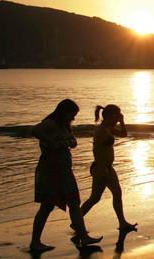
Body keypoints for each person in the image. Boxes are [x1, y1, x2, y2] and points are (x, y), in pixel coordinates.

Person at [29, 99, 102, 252]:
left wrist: (69, 141)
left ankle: (83, 236)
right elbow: (35, 130)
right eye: (72, 114)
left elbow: (73, 142)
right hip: (51, 171)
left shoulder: (64, 125)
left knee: (74, 203)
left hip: (64, 171)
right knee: (46, 207)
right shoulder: (50, 123)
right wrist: (52, 141)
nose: (73, 118)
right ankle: (35, 242)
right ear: (64, 112)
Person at [80, 104, 137, 231]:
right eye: (117, 116)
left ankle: (122, 223)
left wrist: (122, 121)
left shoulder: (108, 128)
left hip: (108, 167)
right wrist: (102, 169)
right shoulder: (101, 131)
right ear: (109, 116)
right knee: (95, 198)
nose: (118, 118)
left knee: (116, 193)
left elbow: (124, 134)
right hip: (101, 168)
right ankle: (76, 221)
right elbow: (96, 150)